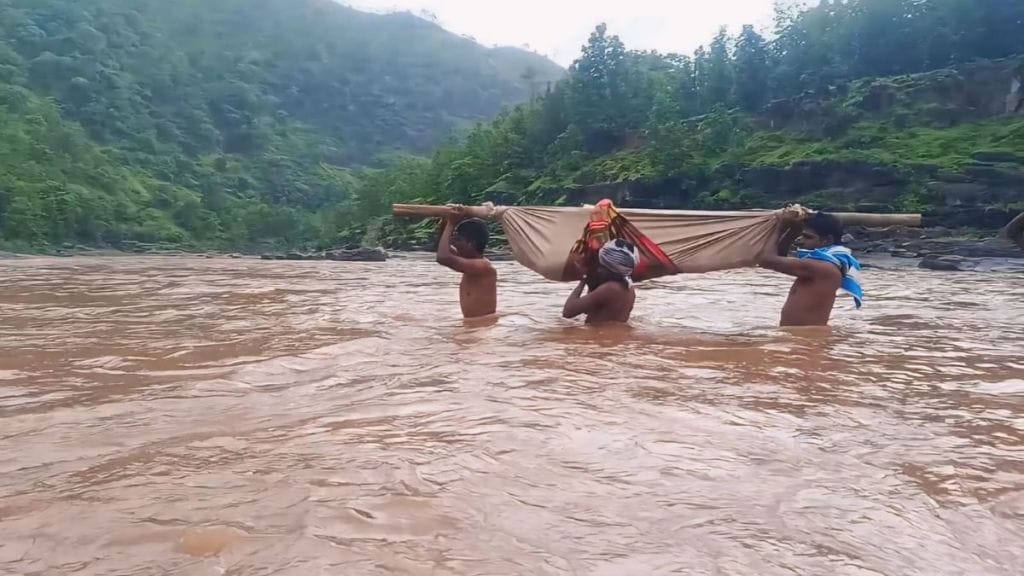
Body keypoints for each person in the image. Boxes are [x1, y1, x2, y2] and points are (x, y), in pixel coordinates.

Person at [759, 212, 864, 327]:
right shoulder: (823, 264)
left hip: (802, 339)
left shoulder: (821, 267)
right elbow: (780, 257)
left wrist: (780, 227)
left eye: (808, 237)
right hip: (803, 337)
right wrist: (792, 231)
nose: (801, 241)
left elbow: (766, 260)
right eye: (801, 235)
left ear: (827, 240)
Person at [436, 209, 497, 319]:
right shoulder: (469, 261)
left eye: (458, 240)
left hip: (481, 326)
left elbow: (443, 257)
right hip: (475, 324)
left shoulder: (482, 266)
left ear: (471, 243)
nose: (454, 243)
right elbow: (444, 248)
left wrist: (451, 223)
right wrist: (446, 221)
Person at [562, 239, 638, 324]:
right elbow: (588, 310)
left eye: (601, 265)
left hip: (597, 336)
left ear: (608, 266)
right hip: (612, 335)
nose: (599, 268)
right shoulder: (629, 287)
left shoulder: (609, 289)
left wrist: (583, 281)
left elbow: (568, 311)